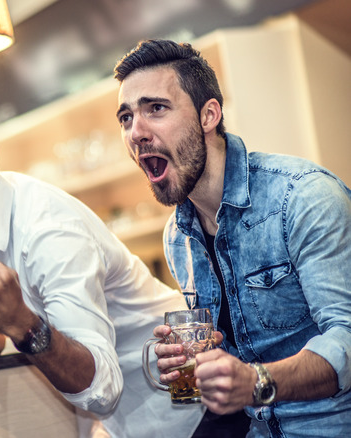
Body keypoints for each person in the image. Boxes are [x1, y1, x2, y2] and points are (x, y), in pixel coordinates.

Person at [0, 94, 203, 437]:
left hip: (185, 407)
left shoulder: (49, 231)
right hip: (116, 423)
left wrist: (21, 323)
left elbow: (102, 388)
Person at [114, 39, 351, 437]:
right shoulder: (178, 235)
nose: (136, 132)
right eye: (125, 118)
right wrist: (193, 363)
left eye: (156, 108)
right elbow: (230, 358)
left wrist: (255, 381)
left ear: (209, 115)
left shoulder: (303, 197)